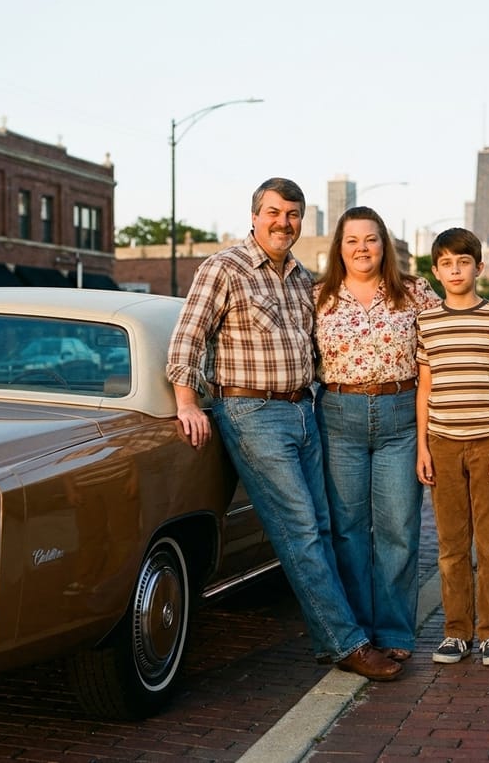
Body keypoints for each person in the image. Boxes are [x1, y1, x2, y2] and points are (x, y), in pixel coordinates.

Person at [166, 177, 402, 681]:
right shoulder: (223, 267)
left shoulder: (301, 278)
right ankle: (345, 644)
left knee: (322, 527)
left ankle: (348, 630)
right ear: (254, 215)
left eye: (293, 214)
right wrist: (187, 401)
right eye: (274, 212)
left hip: (304, 408)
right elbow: (188, 337)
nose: (284, 222)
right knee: (300, 530)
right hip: (252, 415)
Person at [314, 207, 489, 663]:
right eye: (352, 241)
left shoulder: (414, 292)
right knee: (348, 532)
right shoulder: (319, 297)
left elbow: (462, 310)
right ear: (339, 247)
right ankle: (355, 635)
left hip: (399, 415)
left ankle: (395, 634)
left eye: (371, 239)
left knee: (399, 529)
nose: (362, 248)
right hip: (340, 414)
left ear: (384, 244)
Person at [415, 227, 489, 667]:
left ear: (479, 267)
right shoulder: (427, 323)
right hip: (442, 444)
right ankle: (456, 631)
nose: (455, 270)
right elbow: (425, 388)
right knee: (451, 545)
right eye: (446, 263)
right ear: (436, 272)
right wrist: (422, 447)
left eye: (464, 262)